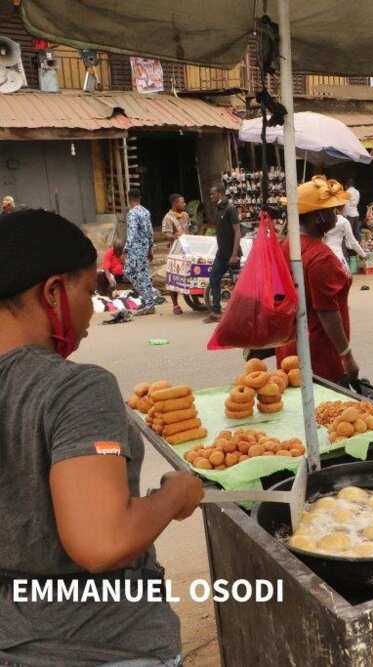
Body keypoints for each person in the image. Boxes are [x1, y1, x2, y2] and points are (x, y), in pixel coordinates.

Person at [0, 209, 203, 665]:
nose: (91, 313)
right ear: (53, 291)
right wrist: (174, 495)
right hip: (101, 644)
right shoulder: (73, 388)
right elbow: (103, 543)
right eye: (89, 292)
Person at [276, 176, 360, 384]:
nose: (335, 215)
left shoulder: (287, 245)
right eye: (331, 211)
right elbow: (327, 312)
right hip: (319, 351)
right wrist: (346, 355)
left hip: (289, 347)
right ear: (317, 217)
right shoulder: (320, 257)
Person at [204, 184, 240, 323]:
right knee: (214, 279)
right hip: (221, 254)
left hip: (232, 254)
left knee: (237, 285)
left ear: (219, 193)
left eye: (212, 194)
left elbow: (237, 231)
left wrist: (234, 254)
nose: (211, 197)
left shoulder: (230, 209)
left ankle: (238, 313)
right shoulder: (218, 209)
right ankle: (216, 311)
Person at [123, 189, 157, 316]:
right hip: (144, 248)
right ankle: (148, 299)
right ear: (140, 198)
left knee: (136, 274)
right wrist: (150, 248)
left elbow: (131, 233)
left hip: (135, 249)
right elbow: (150, 231)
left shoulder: (132, 213)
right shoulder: (145, 211)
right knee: (132, 272)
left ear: (128, 198)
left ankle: (149, 303)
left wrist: (125, 249)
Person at [161, 193, 190, 315]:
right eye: (181, 202)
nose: (184, 204)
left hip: (187, 250)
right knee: (174, 279)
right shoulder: (168, 217)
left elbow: (188, 230)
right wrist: (174, 236)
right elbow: (166, 234)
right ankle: (175, 305)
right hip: (175, 252)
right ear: (174, 203)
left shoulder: (185, 215)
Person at [322, 205, 366, 273]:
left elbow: (322, 237)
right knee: (344, 275)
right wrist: (363, 254)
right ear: (342, 209)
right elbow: (352, 241)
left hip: (324, 251)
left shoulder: (326, 220)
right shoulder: (344, 221)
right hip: (337, 253)